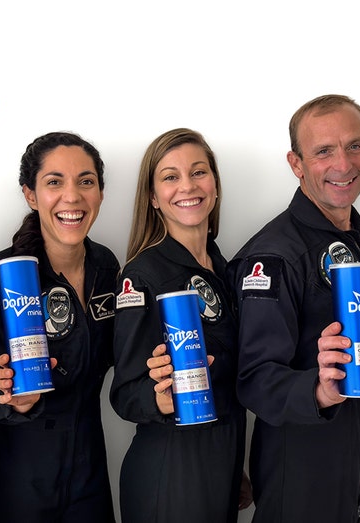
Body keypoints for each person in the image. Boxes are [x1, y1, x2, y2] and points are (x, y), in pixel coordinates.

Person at [228, 94, 360, 523]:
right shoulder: (274, 256)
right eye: (323, 151)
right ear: (296, 164)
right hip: (297, 469)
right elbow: (254, 379)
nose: (343, 164)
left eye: (354, 145)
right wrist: (317, 391)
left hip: (348, 460)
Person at [0, 132, 119, 522]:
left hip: (88, 470)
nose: (72, 197)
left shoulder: (108, 268)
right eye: (54, 182)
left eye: (86, 181)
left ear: (100, 192)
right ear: (31, 195)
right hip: (15, 476)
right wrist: (9, 398)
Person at [109, 128, 251, 523]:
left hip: (221, 462)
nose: (187, 185)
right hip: (171, 470)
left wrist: (231, 462)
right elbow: (124, 394)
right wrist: (159, 397)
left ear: (216, 185)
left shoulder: (227, 270)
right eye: (170, 176)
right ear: (153, 197)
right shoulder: (142, 276)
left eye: (198, 172)